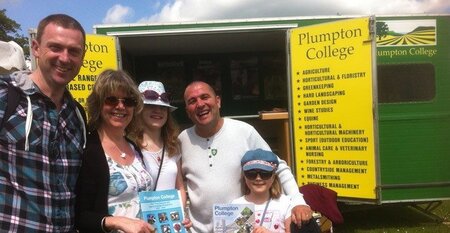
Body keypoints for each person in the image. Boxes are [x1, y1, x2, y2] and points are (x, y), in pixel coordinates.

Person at [179, 81, 313, 232]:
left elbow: (278, 166)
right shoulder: (182, 140)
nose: (200, 104)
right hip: (196, 230)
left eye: (205, 97)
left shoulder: (243, 131)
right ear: (187, 110)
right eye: (192, 101)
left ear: (218, 101)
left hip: (240, 228)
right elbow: (175, 184)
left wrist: (297, 201)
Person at [0, 14, 87, 232]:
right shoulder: (6, 97)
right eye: (55, 47)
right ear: (36, 47)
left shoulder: (76, 114)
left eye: (74, 51)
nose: (65, 58)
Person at [75, 69, 155, 233]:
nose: (120, 106)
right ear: (98, 104)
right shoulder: (88, 150)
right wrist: (116, 222)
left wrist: (174, 219)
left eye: (128, 101)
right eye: (111, 100)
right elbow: (78, 215)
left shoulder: (134, 147)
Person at [133, 81, 191, 229]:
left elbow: (179, 187)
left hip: (169, 224)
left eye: (162, 108)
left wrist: (180, 214)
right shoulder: (130, 145)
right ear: (139, 110)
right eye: (151, 106)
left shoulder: (173, 144)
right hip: (141, 225)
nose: (158, 111)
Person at [232, 149, 293, 233]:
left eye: (265, 174)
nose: (258, 178)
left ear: (273, 177)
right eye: (251, 174)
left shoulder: (285, 203)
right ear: (244, 177)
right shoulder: (236, 205)